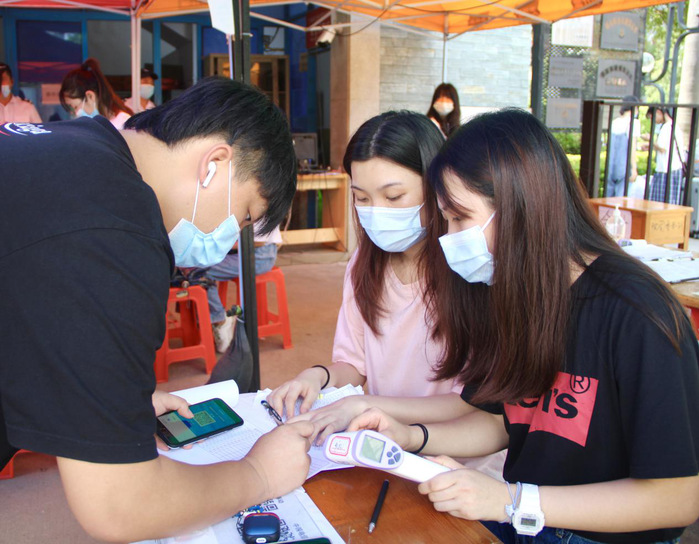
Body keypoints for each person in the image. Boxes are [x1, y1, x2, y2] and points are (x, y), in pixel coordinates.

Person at [344, 109, 699, 544]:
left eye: (459, 218)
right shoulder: (516, 290)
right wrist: (411, 438)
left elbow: (677, 497)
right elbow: (504, 422)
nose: (448, 237)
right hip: (526, 521)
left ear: (520, 208)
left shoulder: (639, 315)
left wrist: (512, 500)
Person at [0, 77, 314, 542]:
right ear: (214, 165)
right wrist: (260, 474)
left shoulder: (75, 147)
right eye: (245, 215)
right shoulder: (115, 230)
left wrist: (107, 398)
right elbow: (121, 505)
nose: (232, 236)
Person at [267, 112, 504, 480]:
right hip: (387, 450)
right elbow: (355, 364)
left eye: (394, 196)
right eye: (361, 198)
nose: (377, 213)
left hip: (460, 463)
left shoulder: (470, 267)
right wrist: (315, 377)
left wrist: (364, 404)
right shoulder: (364, 264)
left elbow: (472, 402)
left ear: (438, 189)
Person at [200, 224, 282, 353]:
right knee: (193, 265)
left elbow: (258, 242)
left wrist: (217, 246)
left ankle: (219, 319)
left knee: (199, 270)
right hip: (244, 250)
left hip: (260, 256)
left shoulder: (260, 211)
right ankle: (208, 320)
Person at [60, 57, 133, 129]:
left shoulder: (123, 125)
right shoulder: (97, 126)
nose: (76, 114)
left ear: (90, 96)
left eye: (75, 107)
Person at [645, 107, 686, 205]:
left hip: (666, 170)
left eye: (652, 117)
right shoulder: (673, 126)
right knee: (671, 202)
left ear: (659, 112)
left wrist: (649, 140)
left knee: (660, 203)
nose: (654, 121)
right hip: (675, 168)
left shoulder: (667, 127)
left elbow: (662, 149)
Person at [605, 96, 640, 197]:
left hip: (611, 165)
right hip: (624, 165)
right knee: (621, 198)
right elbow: (632, 147)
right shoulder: (634, 123)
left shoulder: (615, 122)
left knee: (608, 197)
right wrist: (634, 168)